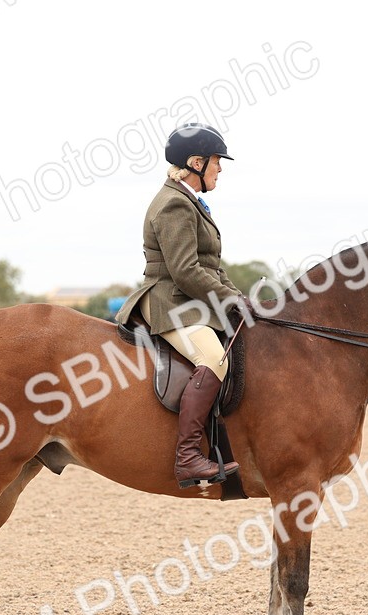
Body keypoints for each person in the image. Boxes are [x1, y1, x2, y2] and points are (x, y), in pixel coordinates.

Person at [114, 122, 244, 488]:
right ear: (196, 162)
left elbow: (211, 268)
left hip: (189, 301)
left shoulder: (189, 201)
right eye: (217, 162)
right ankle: (187, 458)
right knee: (214, 360)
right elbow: (186, 271)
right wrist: (229, 300)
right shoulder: (174, 203)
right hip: (170, 303)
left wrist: (239, 299)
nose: (221, 169)